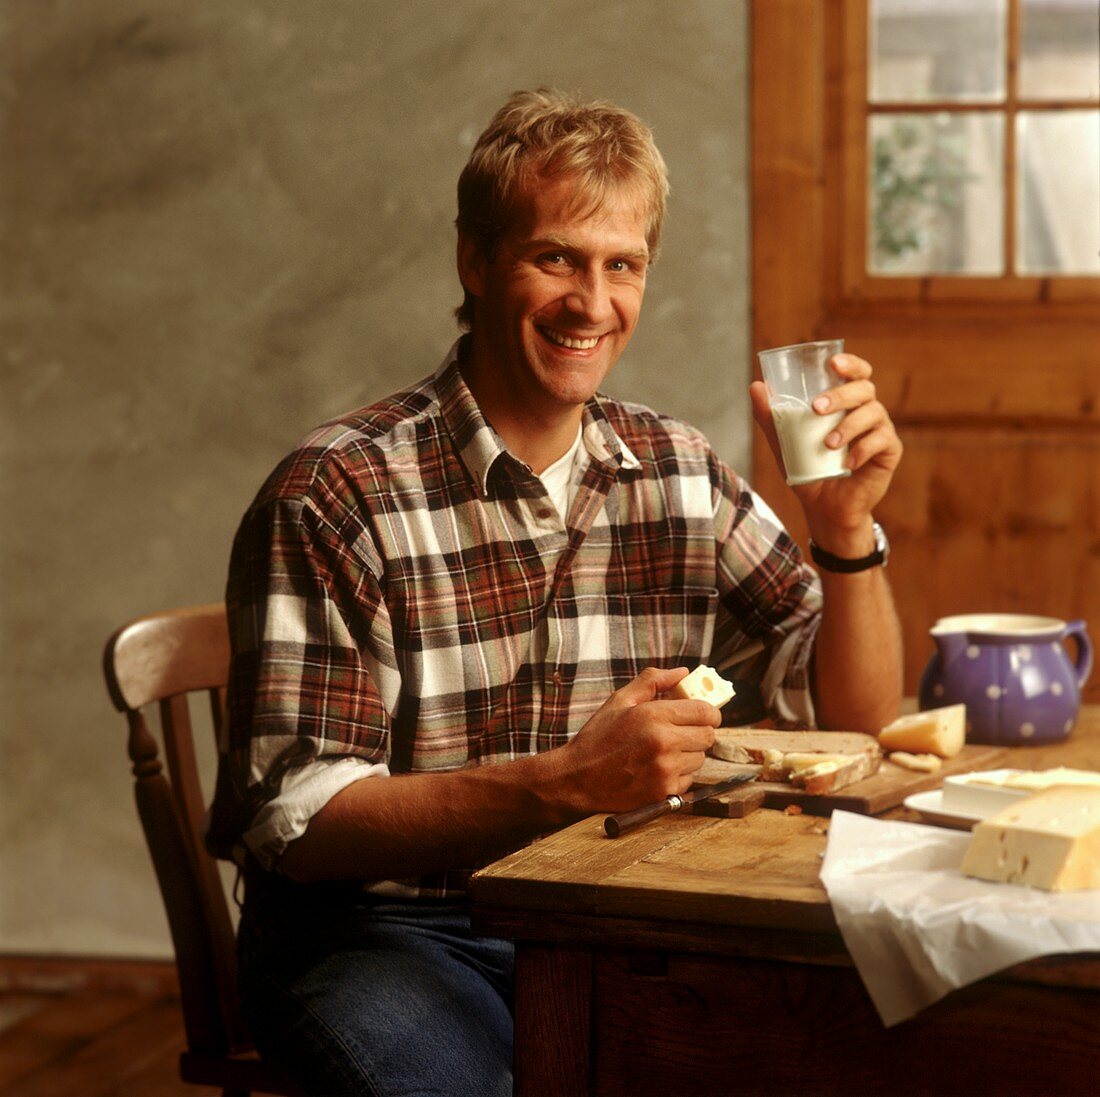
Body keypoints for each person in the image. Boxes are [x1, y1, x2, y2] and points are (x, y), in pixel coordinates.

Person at [206, 88, 903, 1096]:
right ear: (474, 261)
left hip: (614, 919)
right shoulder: (336, 492)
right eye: (555, 258)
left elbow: (852, 714)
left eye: (621, 264)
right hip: (380, 931)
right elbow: (297, 824)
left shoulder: (678, 468)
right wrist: (565, 782)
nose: (591, 302)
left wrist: (843, 534)